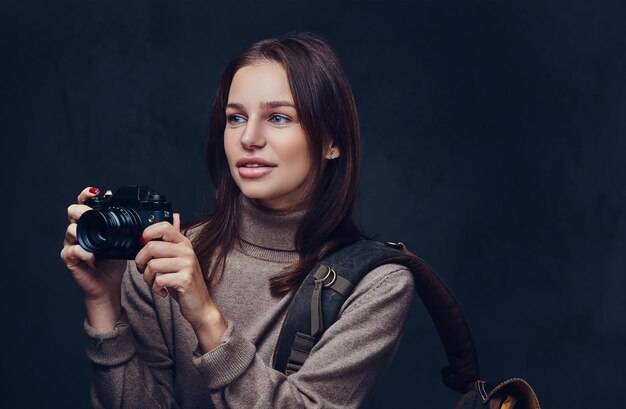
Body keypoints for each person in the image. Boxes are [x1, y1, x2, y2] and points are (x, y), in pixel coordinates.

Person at [61, 32, 415, 408]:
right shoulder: (161, 257)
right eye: (235, 118)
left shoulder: (376, 286)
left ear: (332, 142)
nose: (249, 137)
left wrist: (206, 318)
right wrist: (103, 305)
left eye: (278, 117)